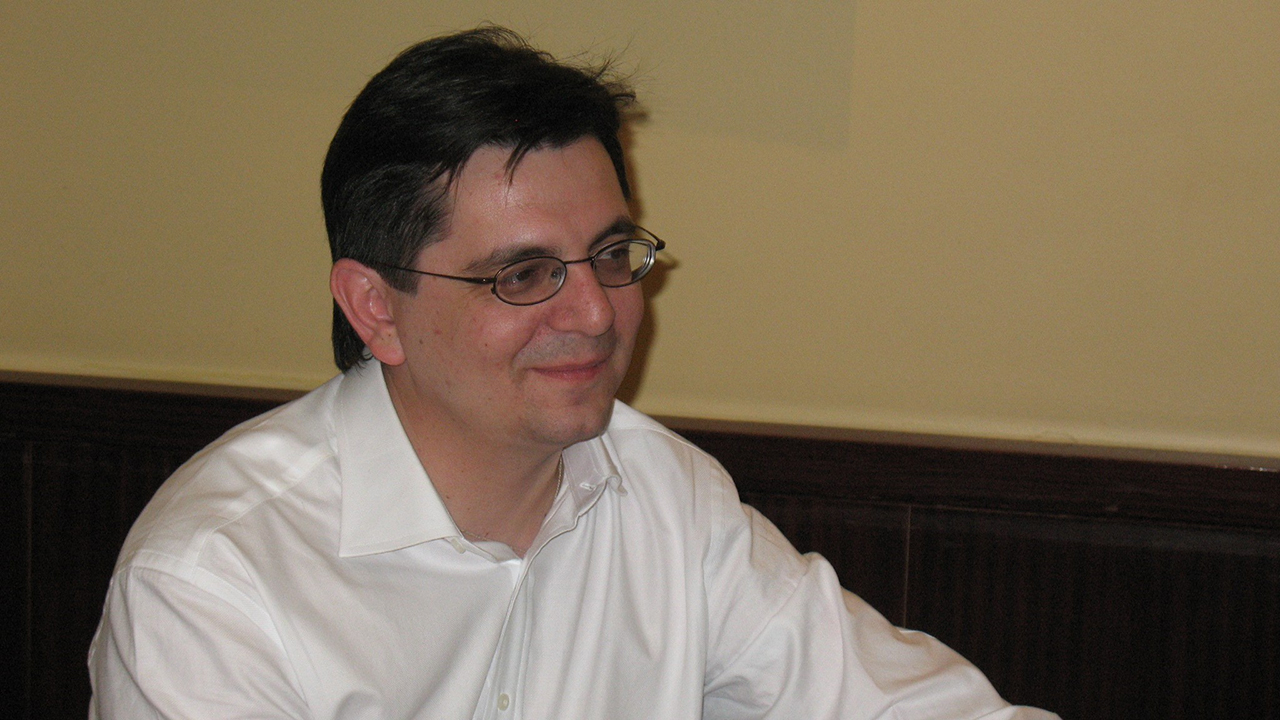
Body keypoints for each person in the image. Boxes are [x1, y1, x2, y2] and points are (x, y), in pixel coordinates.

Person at [88, 27, 1059, 719]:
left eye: (610, 253)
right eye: (523, 275)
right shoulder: (215, 582)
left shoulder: (665, 496)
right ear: (375, 307)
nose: (596, 312)